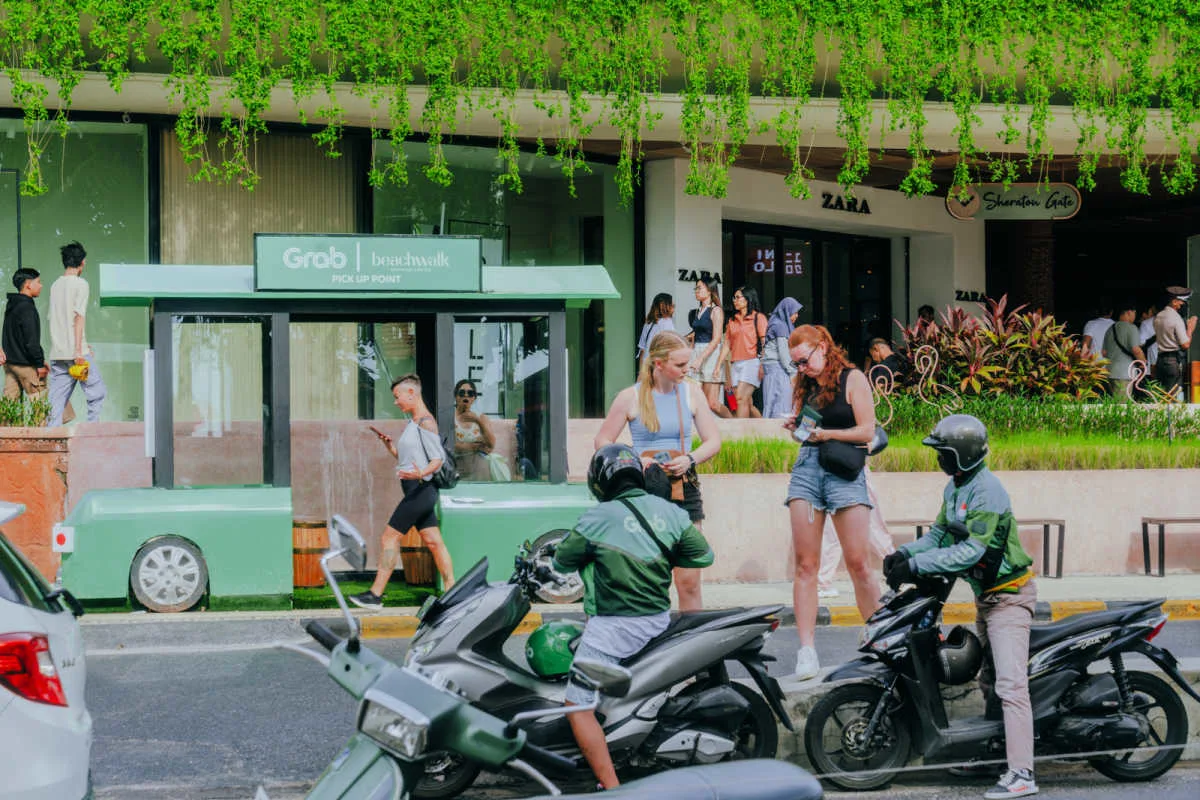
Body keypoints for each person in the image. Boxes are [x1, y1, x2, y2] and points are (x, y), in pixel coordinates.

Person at [883, 414, 1037, 800]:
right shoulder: (956, 486)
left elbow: (971, 551)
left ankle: (1023, 773)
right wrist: (903, 553)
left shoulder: (987, 491)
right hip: (987, 598)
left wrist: (916, 566)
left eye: (943, 453)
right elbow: (939, 535)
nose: (939, 459)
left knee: (1011, 685)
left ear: (962, 454)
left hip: (1010, 598)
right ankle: (995, 757)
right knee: (990, 681)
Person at [552, 443, 715, 789]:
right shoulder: (670, 512)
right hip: (657, 621)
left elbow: (561, 562)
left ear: (599, 481)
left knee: (577, 706)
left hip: (613, 629)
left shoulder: (597, 518)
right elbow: (703, 556)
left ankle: (612, 789)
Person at [594, 330, 721, 612]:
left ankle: (691, 635)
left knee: (689, 580)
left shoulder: (691, 392)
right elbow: (602, 441)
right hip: (644, 490)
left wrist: (689, 458)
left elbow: (714, 441)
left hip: (682, 486)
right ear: (659, 363)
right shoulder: (630, 397)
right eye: (680, 364)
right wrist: (635, 461)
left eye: (687, 362)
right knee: (648, 577)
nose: (687, 369)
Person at [783, 324, 879, 680]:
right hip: (808, 468)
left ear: (823, 347)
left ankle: (879, 638)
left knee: (858, 563)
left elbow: (867, 431)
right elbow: (806, 435)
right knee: (806, 565)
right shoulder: (805, 384)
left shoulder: (852, 379)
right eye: (796, 363)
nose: (802, 368)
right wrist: (797, 428)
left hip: (843, 470)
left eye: (804, 360)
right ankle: (806, 650)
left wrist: (826, 434)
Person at [350, 374, 454, 609]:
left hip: (421, 489)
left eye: (398, 397)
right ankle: (452, 591)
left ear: (412, 393)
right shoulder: (413, 423)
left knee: (389, 537)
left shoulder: (426, 422)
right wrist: (390, 447)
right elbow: (407, 459)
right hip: (416, 489)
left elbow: (438, 459)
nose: (396, 402)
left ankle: (375, 594)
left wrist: (420, 474)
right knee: (434, 542)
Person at [47, 241, 106, 426]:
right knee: (97, 392)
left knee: (56, 402)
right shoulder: (81, 284)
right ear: (82, 262)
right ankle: (92, 433)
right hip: (76, 354)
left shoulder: (55, 285)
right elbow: (78, 318)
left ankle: (51, 437)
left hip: (58, 354)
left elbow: (59, 319)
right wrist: (79, 350)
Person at [2, 268, 48, 405]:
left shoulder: (12, 304)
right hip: (26, 365)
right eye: (38, 282)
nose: (41, 286)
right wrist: (39, 364)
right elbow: (31, 342)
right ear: (28, 284)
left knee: (9, 406)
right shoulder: (27, 307)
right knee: (40, 406)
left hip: (11, 363)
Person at [721, 285, 768, 418]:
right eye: (734, 298)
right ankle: (763, 427)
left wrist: (762, 364)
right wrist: (718, 365)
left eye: (738, 297)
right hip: (735, 363)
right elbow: (727, 345)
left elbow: (765, 343)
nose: (734, 300)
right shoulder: (732, 320)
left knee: (740, 398)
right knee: (746, 402)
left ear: (747, 299)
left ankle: (741, 430)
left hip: (751, 362)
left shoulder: (758, 317)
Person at [686, 278, 729, 418]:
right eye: (696, 288)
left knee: (712, 403)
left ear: (710, 290)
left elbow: (716, 339)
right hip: (697, 352)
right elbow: (695, 335)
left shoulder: (716, 310)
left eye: (700, 288)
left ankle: (735, 423)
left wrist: (700, 358)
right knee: (698, 401)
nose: (696, 291)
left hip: (711, 355)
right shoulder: (697, 311)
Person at [761, 297, 802, 418]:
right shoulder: (781, 327)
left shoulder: (775, 323)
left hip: (772, 371)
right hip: (779, 371)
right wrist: (794, 372)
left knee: (770, 404)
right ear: (787, 311)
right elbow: (784, 356)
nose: (796, 316)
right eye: (794, 312)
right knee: (781, 406)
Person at [1153, 286, 1196, 401]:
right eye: (1181, 301)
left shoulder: (1159, 316)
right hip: (1172, 361)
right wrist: (1190, 329)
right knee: (1172, 397)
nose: (1182, 304)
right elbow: (1185, 344)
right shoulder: (1176, 318)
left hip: (1160, 360)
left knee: (1161, 396)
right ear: (1174, 301)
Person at [452, 378, 496, 480]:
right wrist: (474, 446)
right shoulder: (450, 418)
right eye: (462, 393)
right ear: (456, 396)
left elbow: (491, 445)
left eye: (470, 393)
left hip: (479, 467)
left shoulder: (481, 418)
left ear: (474, 398)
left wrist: (478, 422)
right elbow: (450, 446)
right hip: (458, 466)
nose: (466, 396)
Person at [1101, 302, 1144, 400]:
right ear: (1129, 312)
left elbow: (1104, 352)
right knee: (1122, 405)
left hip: (1110, 372)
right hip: (1124, 374)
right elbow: (1136, 350)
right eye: (1134, 313)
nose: (1135, 316)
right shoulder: (1131, 328)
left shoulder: (1110, 329)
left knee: (1113, 403)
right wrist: (1143, 363)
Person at [636, 293, 675, 365]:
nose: (674, 308)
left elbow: (642, 350)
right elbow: (672, 346)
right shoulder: (667, 322)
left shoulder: (648, 323)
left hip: (647, 364)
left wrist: (641, 370)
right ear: (665, 307)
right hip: (659, 365)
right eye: (672, 305)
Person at [1138, 301, 1159, 378]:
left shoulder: (1146, 324)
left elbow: (1141, 344)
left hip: (1152, 365)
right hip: (1170, 365)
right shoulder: (1175, 320)